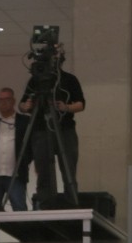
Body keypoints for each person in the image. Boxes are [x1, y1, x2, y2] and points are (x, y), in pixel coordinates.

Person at [19, 47, 85, 206]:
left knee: (68, 168)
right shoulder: (35, 81)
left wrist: (66, 107)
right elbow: (22, 104)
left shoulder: (69, 79)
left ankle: (71, 204)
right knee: (43, 169)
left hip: (65, 129)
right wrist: (26, 106)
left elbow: (81, 104)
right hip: (41, 129)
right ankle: (45, 203)